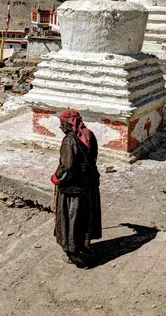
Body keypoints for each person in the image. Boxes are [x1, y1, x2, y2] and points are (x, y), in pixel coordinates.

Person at [51, 109, 102, 267]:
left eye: (62, 125)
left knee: (71, 219)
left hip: (73, 189)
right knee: (85, 217)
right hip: (89, 185)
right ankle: (84, 246)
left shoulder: (69, 141)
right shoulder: (89, 134)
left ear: (67, 125)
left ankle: (72, 251)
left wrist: (57, 177)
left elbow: (66, 166)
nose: (61, 128)